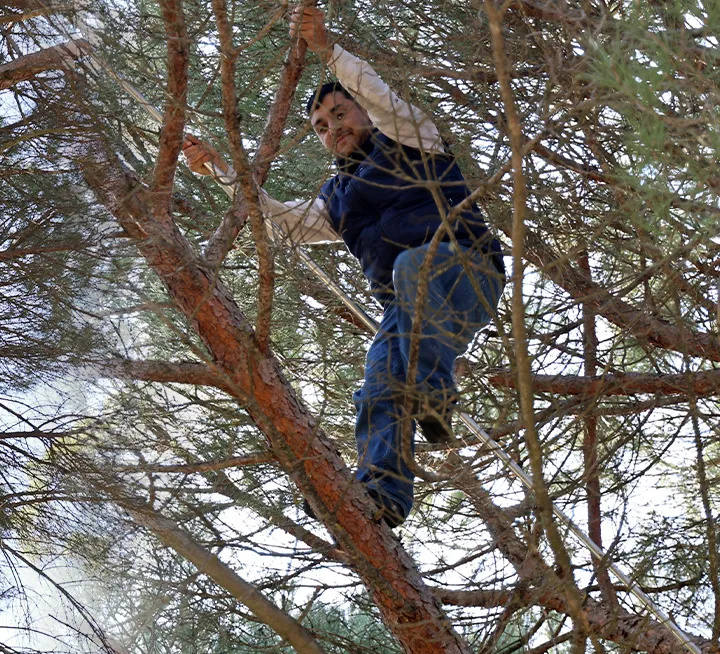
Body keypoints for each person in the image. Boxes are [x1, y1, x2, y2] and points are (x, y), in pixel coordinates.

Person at [182, 8, 505, 528]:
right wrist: (220, 168)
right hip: (412, 313)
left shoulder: (412, 138)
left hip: (465, 272)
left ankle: (434, 395)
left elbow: (379, 94)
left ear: (365, 113)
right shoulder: (335, 197)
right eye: (321, 127)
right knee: (378, 381)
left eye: (341, 114)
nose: (334, 128)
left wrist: (329, 51)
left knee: (412, 268)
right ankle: (380, 494)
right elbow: (281, 222)